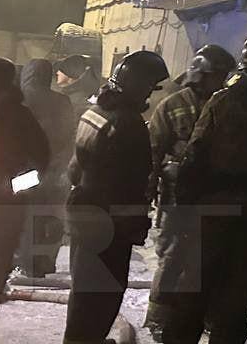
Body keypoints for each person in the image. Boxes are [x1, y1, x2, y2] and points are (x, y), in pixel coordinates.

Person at [162, 33, 247, 344]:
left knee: (194, 287)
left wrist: (184, 206)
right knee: (237, 292)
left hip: (211, 212)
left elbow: (195, 155)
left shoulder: (220, 102)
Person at [63, 50, 168, 344]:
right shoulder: (128, 123)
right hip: (107, 225)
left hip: (84, 213)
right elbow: (129, 184)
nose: (151, 93)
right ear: (137, 85)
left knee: (85, 292)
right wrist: (134, 224)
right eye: (149, 86)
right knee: (101, 295)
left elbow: (75, 168)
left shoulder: (95, 111)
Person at [144, 45, 237, 340]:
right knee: (173, 257)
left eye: (223, 76)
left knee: (208, 259)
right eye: (216, 75)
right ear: (199, 75)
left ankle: (202, 313)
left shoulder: (226, 103)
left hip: (212, 196)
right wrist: (149, 190)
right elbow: (153, 152)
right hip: (176, 197)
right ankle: (159, 316)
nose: (220, 81)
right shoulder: (171, 106)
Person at [0, 57, 50, 343]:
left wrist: (13, 188)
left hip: (2, 215)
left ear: (6, 89)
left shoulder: (21, 119)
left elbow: (40, 165)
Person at [16, 58, 76, 277]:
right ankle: (46, 263)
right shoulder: (62, 101)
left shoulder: (19, 101)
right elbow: (70, 137)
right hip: (55, 173)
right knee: (51, 218)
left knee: (24, 217)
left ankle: (26, 263)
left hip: (24, 173)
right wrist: (60, 167)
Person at [55, 55, 101, 119]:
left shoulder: (78, 100)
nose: (57, 72)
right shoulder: (65, 94)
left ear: (71, 75)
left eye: (62, 70)